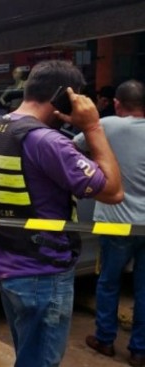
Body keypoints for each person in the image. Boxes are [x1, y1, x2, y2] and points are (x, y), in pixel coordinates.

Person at [0, 60, 124, 367]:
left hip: (8, 266)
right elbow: (112, 191)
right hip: (43, 273)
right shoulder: (47, 141)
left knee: (28, 358)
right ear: (62, 96)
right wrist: (93, 126)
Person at [74, 80, 145, 367]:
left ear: (117, 103)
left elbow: (73, 148)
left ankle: (105, 339)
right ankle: (139, 350)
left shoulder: (107, 126)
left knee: (108, 283)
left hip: (115, 224)